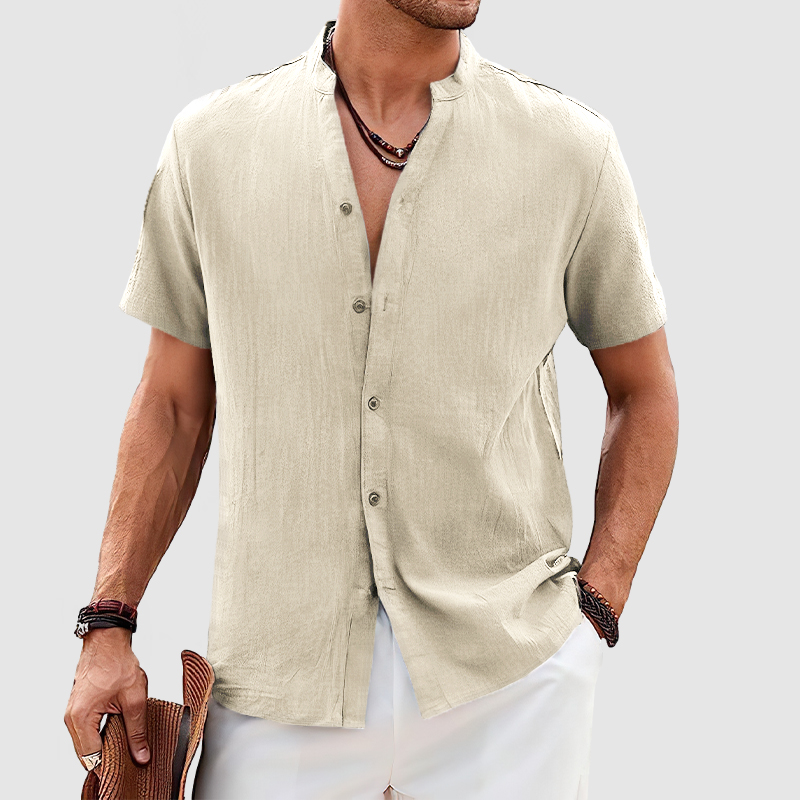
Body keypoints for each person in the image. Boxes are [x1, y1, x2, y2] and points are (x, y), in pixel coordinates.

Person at [64, 1, 679, 797]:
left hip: (511, 680)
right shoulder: (211, 146)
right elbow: (173, 405)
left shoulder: (571, 150)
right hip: (275, 686)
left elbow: (644, 389)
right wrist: (108, 623)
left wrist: (597, 606)